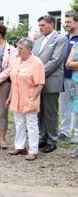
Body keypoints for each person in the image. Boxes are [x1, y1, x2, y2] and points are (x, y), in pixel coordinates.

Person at [32, 15, 68, 153]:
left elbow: (55, 60)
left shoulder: (60, 39)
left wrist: (38, 73)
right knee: (40, 111)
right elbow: (33, 58)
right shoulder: (39, 40)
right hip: (37, 81)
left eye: (43, 25)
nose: (40, 28)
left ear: (52, 24)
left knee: (50, 112)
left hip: (51, 80)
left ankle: (52, 140)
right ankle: (43, 137)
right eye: (39, 25)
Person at [6, 38, 45, 161]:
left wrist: (33, 98)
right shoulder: (17, 61)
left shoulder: (37, 63)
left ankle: (33, 151)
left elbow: (40, 83)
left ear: (29, 50)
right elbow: (14, 80)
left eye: (21, 49)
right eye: (18, 48)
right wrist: (10, 97)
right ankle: (19, 147)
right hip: (17, 98)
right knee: (19, 123)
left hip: (29, 98)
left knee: (32, 124)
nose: (19, 50)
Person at [59, 12, 78, 144]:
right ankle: (65, 131)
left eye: (69, 22)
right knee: (64, 106)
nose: (66, 24)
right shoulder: (64, 38)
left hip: (75, 77)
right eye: (65, 22)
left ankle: (76, 134)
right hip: (63, 77)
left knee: (76, 107)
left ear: (77, 22)